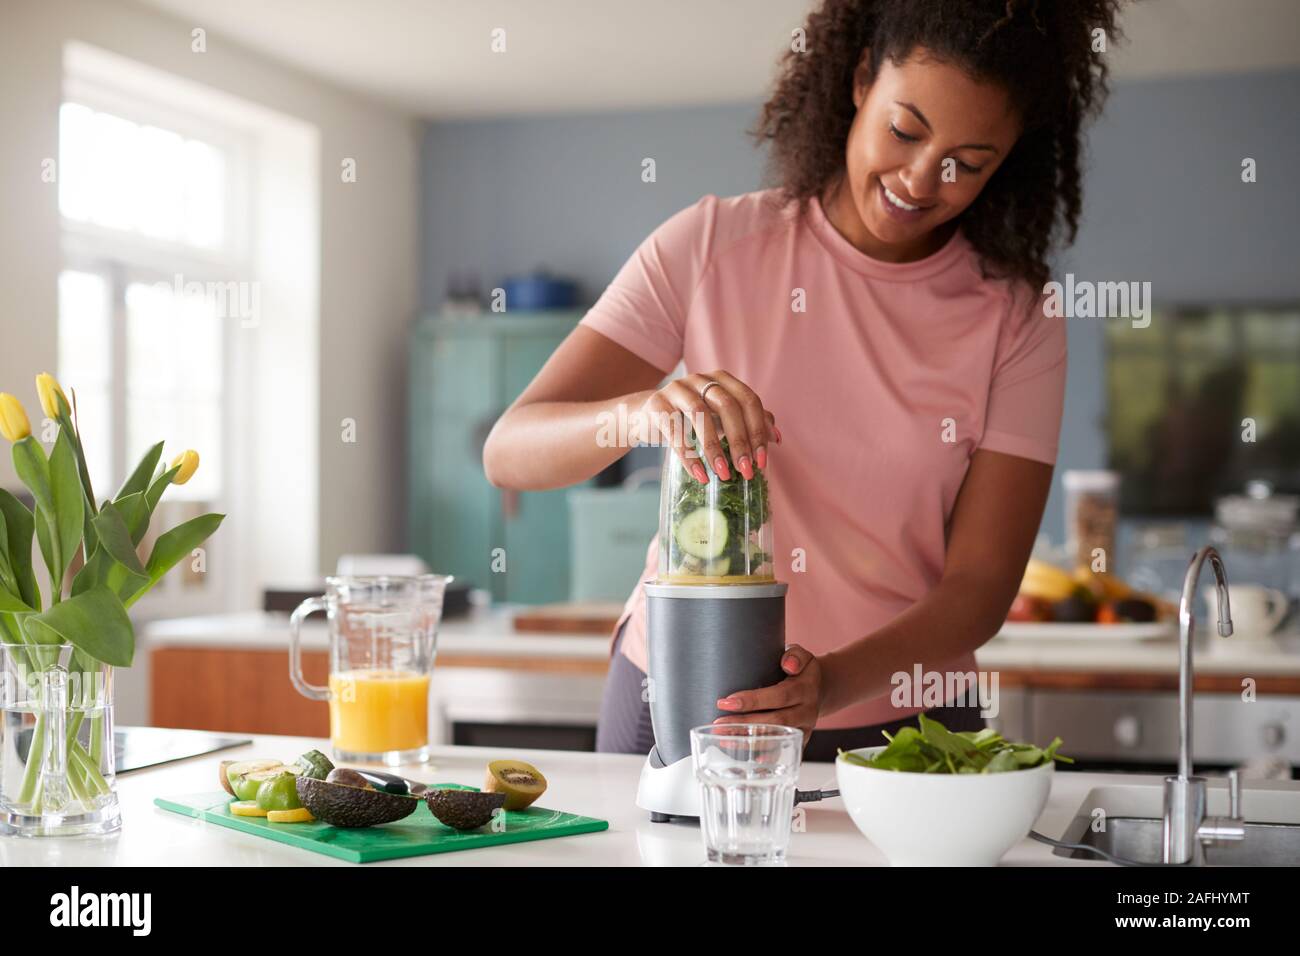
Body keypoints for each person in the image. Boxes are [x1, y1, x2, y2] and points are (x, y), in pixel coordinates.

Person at [484, 0, 1121, 760]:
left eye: (969, 161)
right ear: (860, 81)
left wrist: (828, 685)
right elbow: (510, 451)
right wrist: (640, 414)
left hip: (904, 724)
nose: (922, 178)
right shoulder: (711, 245)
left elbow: (980, 588)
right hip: (682, 690)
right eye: (905, 129)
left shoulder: (1018, 318)